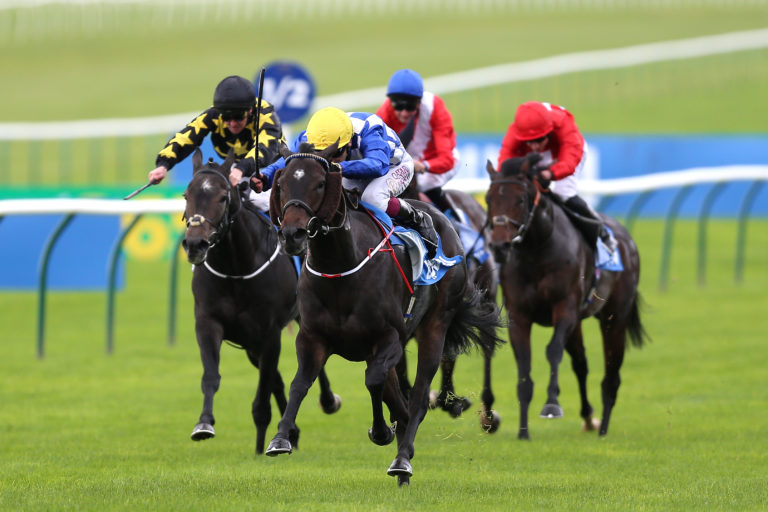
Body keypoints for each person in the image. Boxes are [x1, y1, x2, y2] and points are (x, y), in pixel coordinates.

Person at [259, 106, 439, 257]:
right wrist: (265, 176)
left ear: (349, 144)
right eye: (321, 153)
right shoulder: (311, 136)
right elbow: (289, 162)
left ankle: (416, 217)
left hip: (393, 167)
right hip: (353, 168)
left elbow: (378, 165)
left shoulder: (369, 129)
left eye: (334, 153)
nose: (330, 158)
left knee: (372, 198)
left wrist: (337, 167)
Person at [147, 75, 284, 211]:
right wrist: (164, 164)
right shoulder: (214, 114)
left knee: (260, 201)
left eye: (238, 117)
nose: (232, 123)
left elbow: (265, 148)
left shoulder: (265, 115)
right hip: (239, 167)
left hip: (272, 166)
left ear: (250, 110)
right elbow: (186, 137)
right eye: (226, 118)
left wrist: (241, 168)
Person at [497, 100, 616, 253]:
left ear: (549, 132)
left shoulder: (563, 123)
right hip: (533, 156)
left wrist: (550, 173)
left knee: (563, 193)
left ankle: (602, 233)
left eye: (539, 140)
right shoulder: (516, 131)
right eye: (529, 142)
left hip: (566, 152)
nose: (535, 146)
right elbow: (504, 162)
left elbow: (570, 162)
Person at [375, 69, 460, 217]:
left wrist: (424, 166)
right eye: (398, 106)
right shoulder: (385, 112)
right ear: (391, 102)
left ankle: (454, 220)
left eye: (410, 107)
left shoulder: (434, 108)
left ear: (419, 102)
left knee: (425, 183)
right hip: (408, 162)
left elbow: (447, 160)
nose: (404, 113)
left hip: (437, 164)